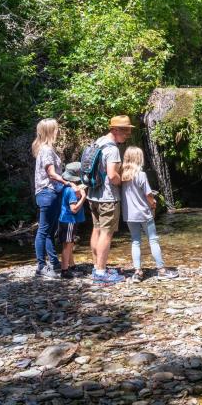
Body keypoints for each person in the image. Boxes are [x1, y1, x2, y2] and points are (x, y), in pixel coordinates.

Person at [88, 115, 134, 285]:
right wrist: (123, 183)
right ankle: (100, 273)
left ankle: (97, 266)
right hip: (108, 197)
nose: (127, 135)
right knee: (106, 233)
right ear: (114, 130)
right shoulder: (113, 149)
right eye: (124, 132)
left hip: (93, 195)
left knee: (96, 230)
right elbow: (112, 174)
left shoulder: (98, 142)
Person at [121, 146, 179, 282]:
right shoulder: (141, 175)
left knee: (135, 241)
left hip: (129, 215)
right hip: (144, 213)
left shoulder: (123, 176)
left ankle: (137, 272)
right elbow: (148, 194)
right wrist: (153, 203)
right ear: (138, 159)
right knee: (153, 240)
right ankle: (161, 270)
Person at [32, 118, 79, 279]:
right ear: (50, 131)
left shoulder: (45, 149)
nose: (58, 131)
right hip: (47, 192)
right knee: (44, 230)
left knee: (50, 230)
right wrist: (68, 183)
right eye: (56, 129)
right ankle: (41, 266)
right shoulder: (46, 150)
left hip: (48, 193)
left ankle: (53, 261)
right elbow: (51, 173)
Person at [58, 162, 87, 279]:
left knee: (68, 243)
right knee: (68, 245)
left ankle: (72, 266)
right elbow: (74, 209)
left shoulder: (66, 187)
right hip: (69, 220)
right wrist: (83, 197)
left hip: (63, 219)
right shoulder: (71, 191)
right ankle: (65, 270)